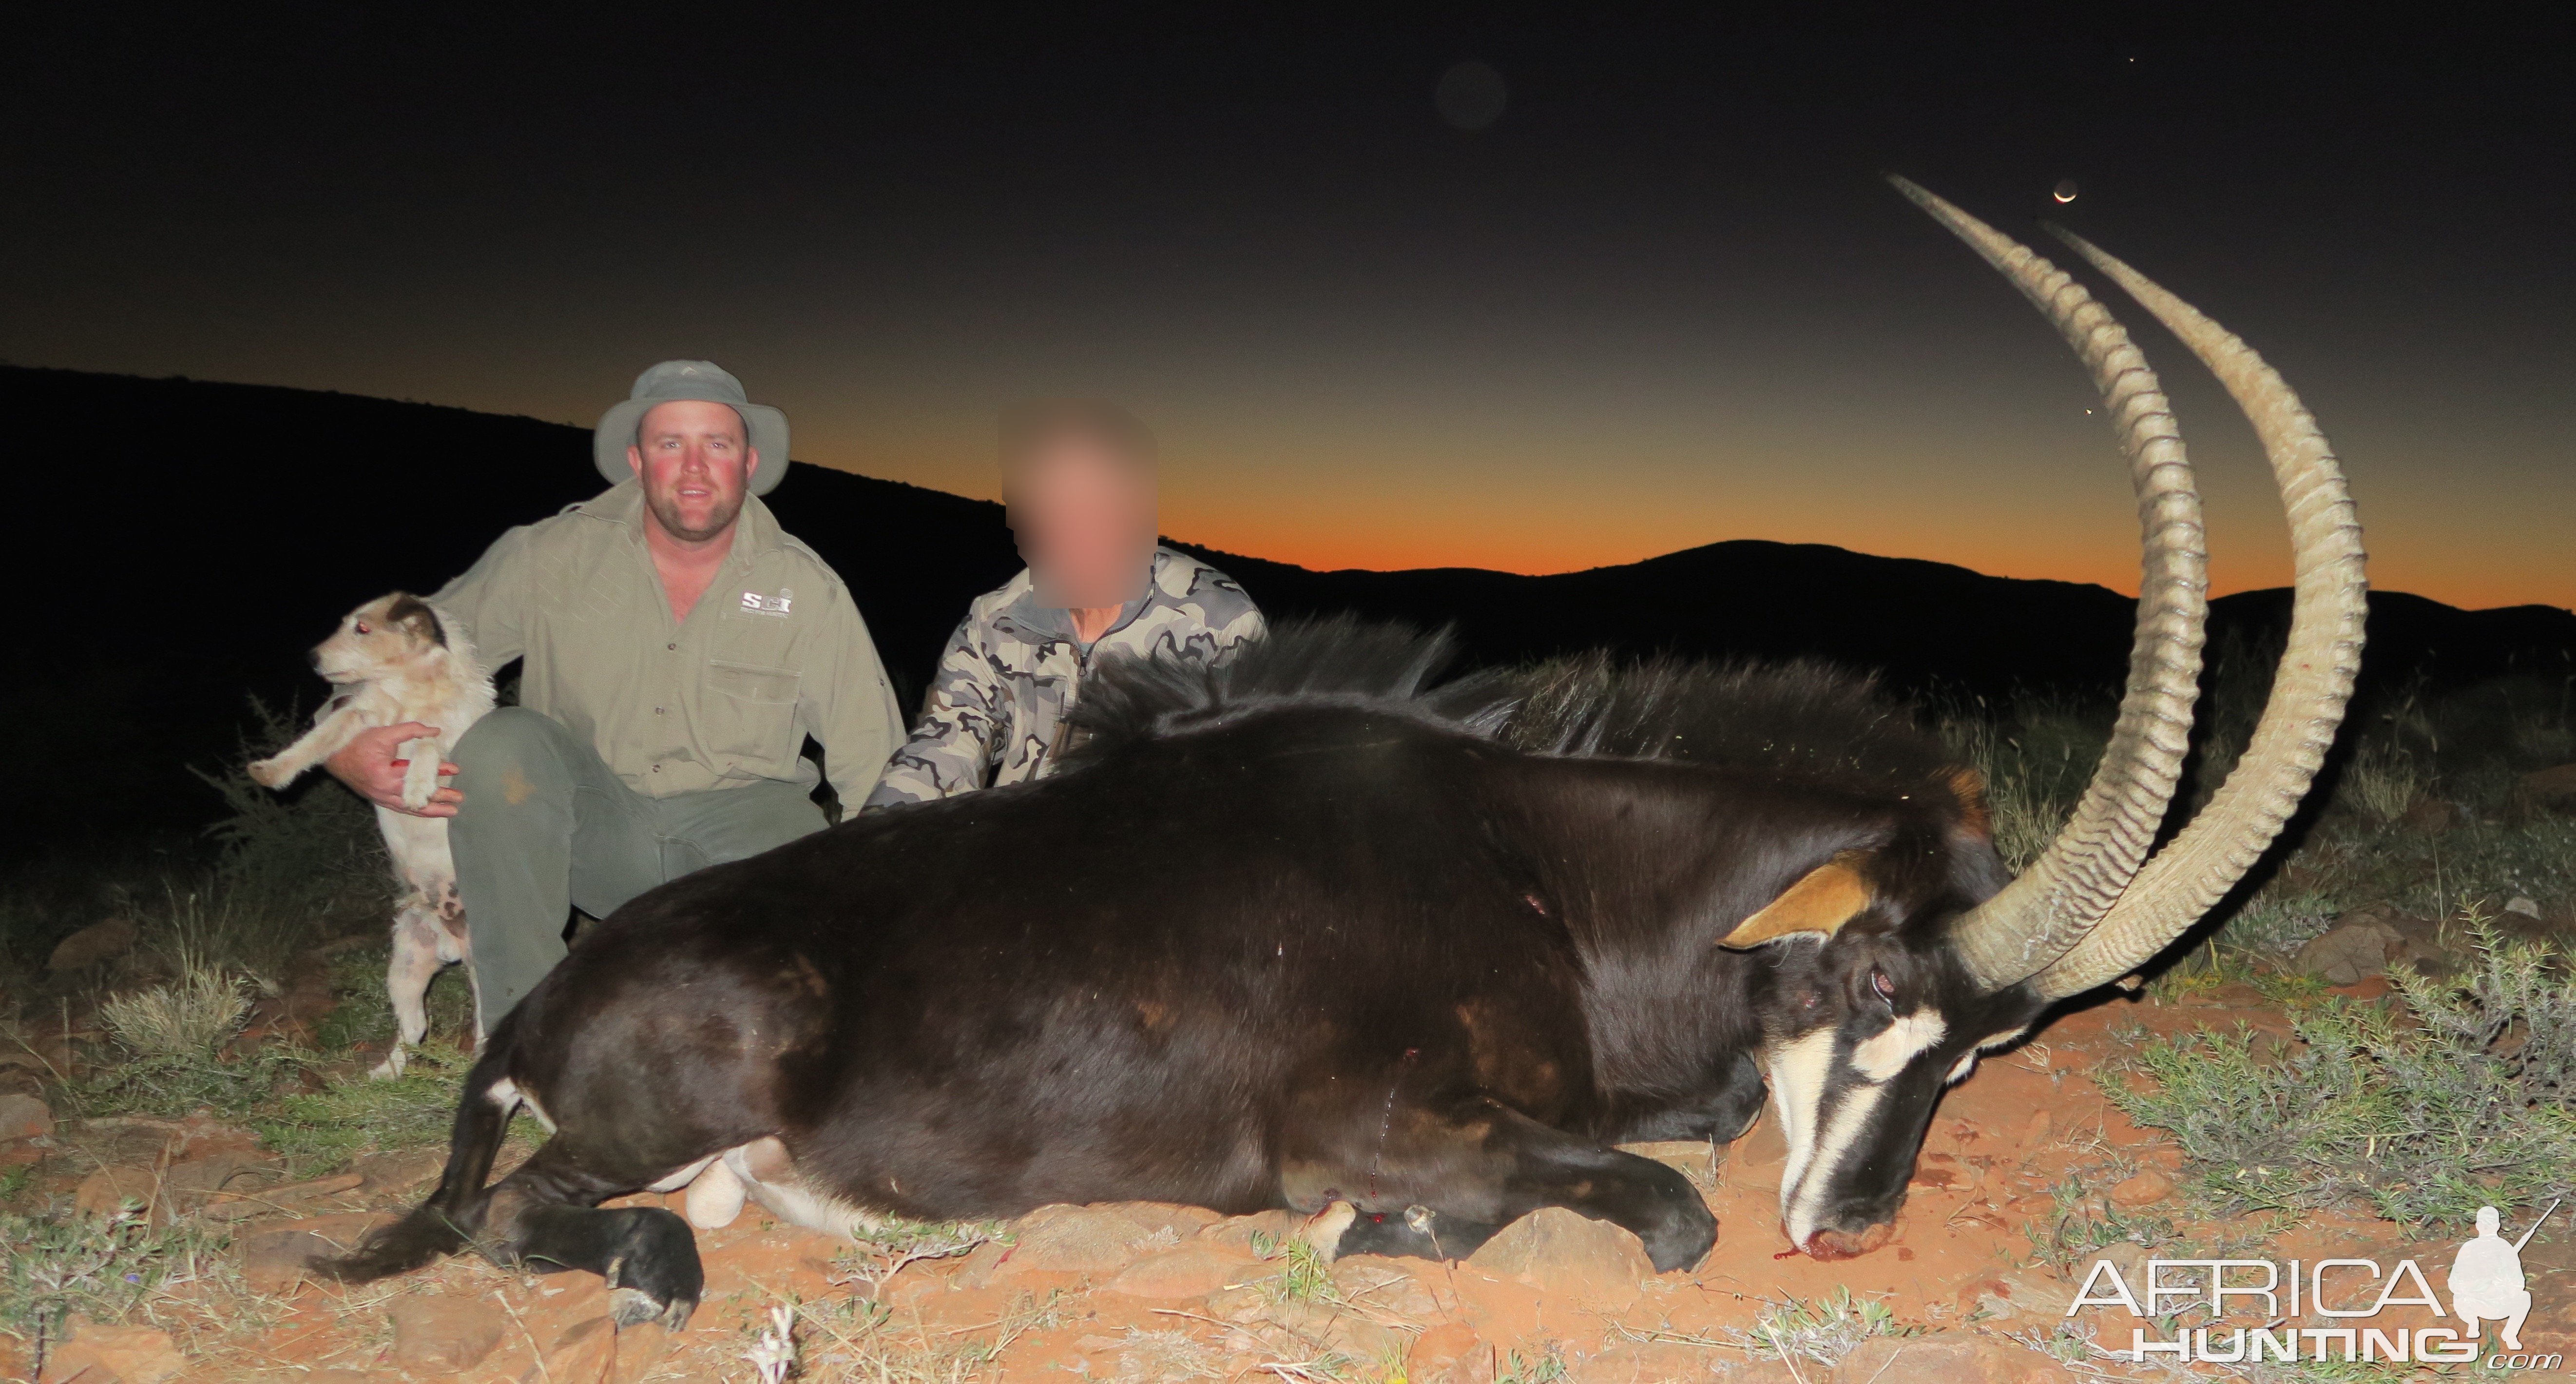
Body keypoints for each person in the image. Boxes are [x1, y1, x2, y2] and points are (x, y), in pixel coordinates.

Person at [325, 360, 905, 1026]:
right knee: (504, 741)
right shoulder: (549, 554)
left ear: (747, 462)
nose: (693, 467)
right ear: (636, 460)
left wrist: (896, 902)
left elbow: (877, 759)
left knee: (798, 1002)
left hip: (743, 842)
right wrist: (345, 740)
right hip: (590, 833)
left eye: (717, 443)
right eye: (669, 443)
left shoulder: (808, 587)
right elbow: (405, 647)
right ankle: (525, 1035)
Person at [865, 400, 1262, 806]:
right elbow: (943, 745)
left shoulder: (1220, 624)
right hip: (1010, 845)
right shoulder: (995, 620)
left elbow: (1246, 788)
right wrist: (872, 839)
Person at [2448, 1205, 2533, 1352]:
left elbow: (2518, 1282)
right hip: (2474, 1304)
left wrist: (2503, 1287)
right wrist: (2475, 1286)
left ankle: (2510, 1334)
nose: (2487, 1227)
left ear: (2497, 1226)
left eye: (2490, 1224)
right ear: (2478, 1225)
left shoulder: (2505, 1248)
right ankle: (2473, 1323)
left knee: (2524, 1297)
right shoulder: (2469, 1248)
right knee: (2459, 1296)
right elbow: (2454, 1281)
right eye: (2484, 1224)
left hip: (2499, 1304)